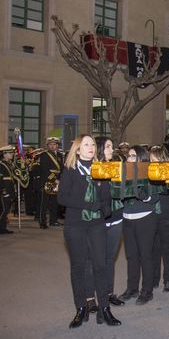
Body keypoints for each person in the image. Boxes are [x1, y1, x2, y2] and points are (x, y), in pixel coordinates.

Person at [57, 134, 120, 328]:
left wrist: (103, 207)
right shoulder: (70, 170)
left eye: (92, 144)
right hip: (75, 224)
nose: (91, 147)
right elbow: (62, 198)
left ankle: (105, 309)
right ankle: (81, 308)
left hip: (96, 224)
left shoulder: (100, 168)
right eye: (86, 144)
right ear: (77, 149)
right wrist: (87, 204)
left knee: (100, 265)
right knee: (78, 266)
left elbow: (107, 198)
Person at [84, 137, 126, 312]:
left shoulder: (117, 167)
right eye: (108, 146)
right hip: (97, 220)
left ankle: (107, 293)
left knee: (109, 259)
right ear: (100, 149)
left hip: (116, 217)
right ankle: (90, 297)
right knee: (93, 260)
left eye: (112, 146)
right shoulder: (91, 169)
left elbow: (123, 190)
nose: (111, 149)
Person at [119, 145, 159, 305]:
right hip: (127, 217)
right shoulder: (124, 172)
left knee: (145, 256)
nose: (129, 158)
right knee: (131, 256)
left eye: (133, 156)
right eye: (128, 155)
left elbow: (154, 197)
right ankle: (132, 288)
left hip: (145, 218)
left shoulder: (150, 172)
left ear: (142, 158)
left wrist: (144, 196)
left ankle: (147, 291)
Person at [150, 145, 169, 292]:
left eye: (154, 160)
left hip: (167, 216)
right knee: (154, 249)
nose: (152, 163)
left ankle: (168, 279)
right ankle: (154, 278)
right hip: (153, 216)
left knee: (168, 249)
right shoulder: (149, 172)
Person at [33, 136, 64, 228]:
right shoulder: (44, 155)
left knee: (54, 202)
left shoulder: (59, 155)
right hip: (47, 181)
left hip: (56, 182)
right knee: (44, 203)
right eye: (50, 144)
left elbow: (61, 168)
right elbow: (44, 169)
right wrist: (55, 179)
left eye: (54, 144)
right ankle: (42, 222)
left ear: (57, 145)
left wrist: (60, 178)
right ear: (48, 145)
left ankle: (53, 221)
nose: (52, 146)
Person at [0, 145, 16, 234]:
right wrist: (3, 190)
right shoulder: (1, 165)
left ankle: (3, 228)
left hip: (10, 189)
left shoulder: (9, 164)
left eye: (12, 153)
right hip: (4, 190)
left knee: (6, 210)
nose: (12, 154)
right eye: (10, 153)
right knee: (3, 210)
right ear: (4, 154)